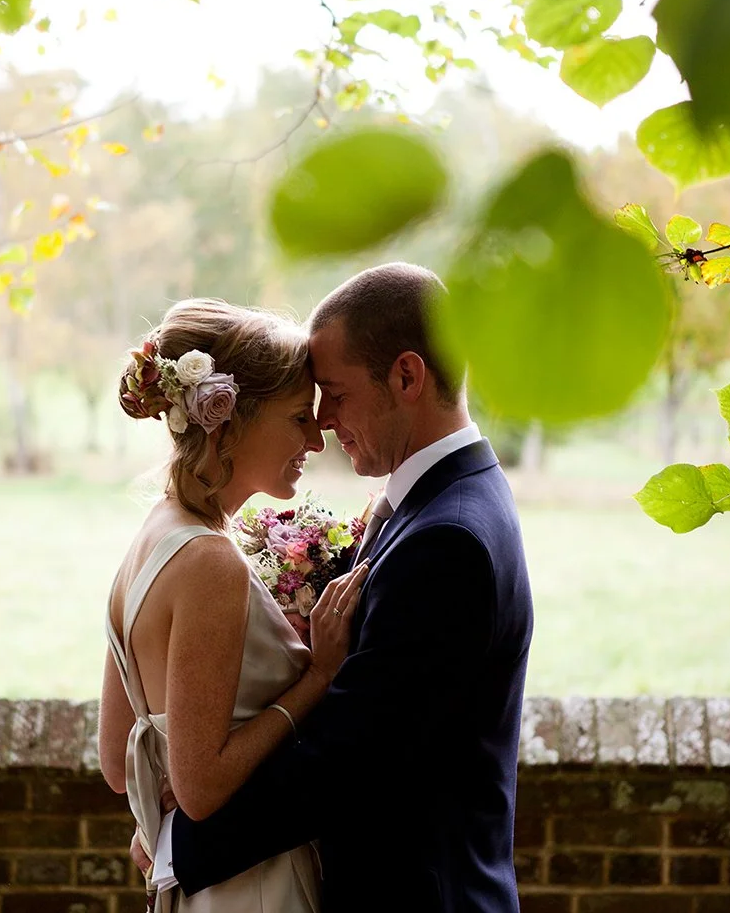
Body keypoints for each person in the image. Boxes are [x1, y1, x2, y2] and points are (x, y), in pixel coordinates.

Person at [152, 263, 535, 913]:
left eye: (335, 391)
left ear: (407, 377)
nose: (324, 421)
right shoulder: (442, 503)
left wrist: (179, 843)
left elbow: (346, 763)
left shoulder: (449, 542)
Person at [99, 298, 368, 913]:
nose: (314, 439)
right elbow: (200, 789)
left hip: (195, 885)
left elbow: (118, 761)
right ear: (228, 420)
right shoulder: (211, 563)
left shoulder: (151, 536)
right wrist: (319, 677)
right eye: (299, 417)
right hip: (253, 883)